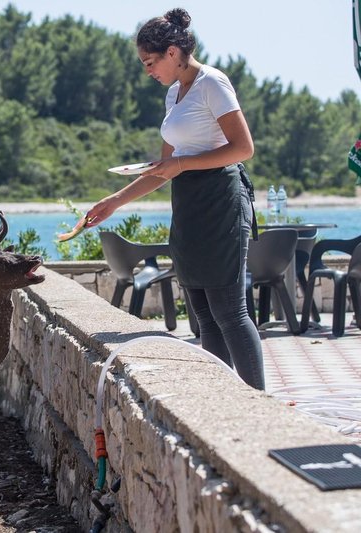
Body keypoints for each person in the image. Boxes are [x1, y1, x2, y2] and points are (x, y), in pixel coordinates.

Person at [84, 7, 264, 390]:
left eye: (150, 62)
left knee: (230, 311)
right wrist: (114, 201)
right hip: (189, 204)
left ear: (172, 52)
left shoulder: (212, 83)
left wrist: (182, 165)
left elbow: (243, 148)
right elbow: (164, 167)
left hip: (221, 199)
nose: (148, 71)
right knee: (202, 311)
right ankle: (219, 396)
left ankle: (259, 401)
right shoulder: (173, 94)